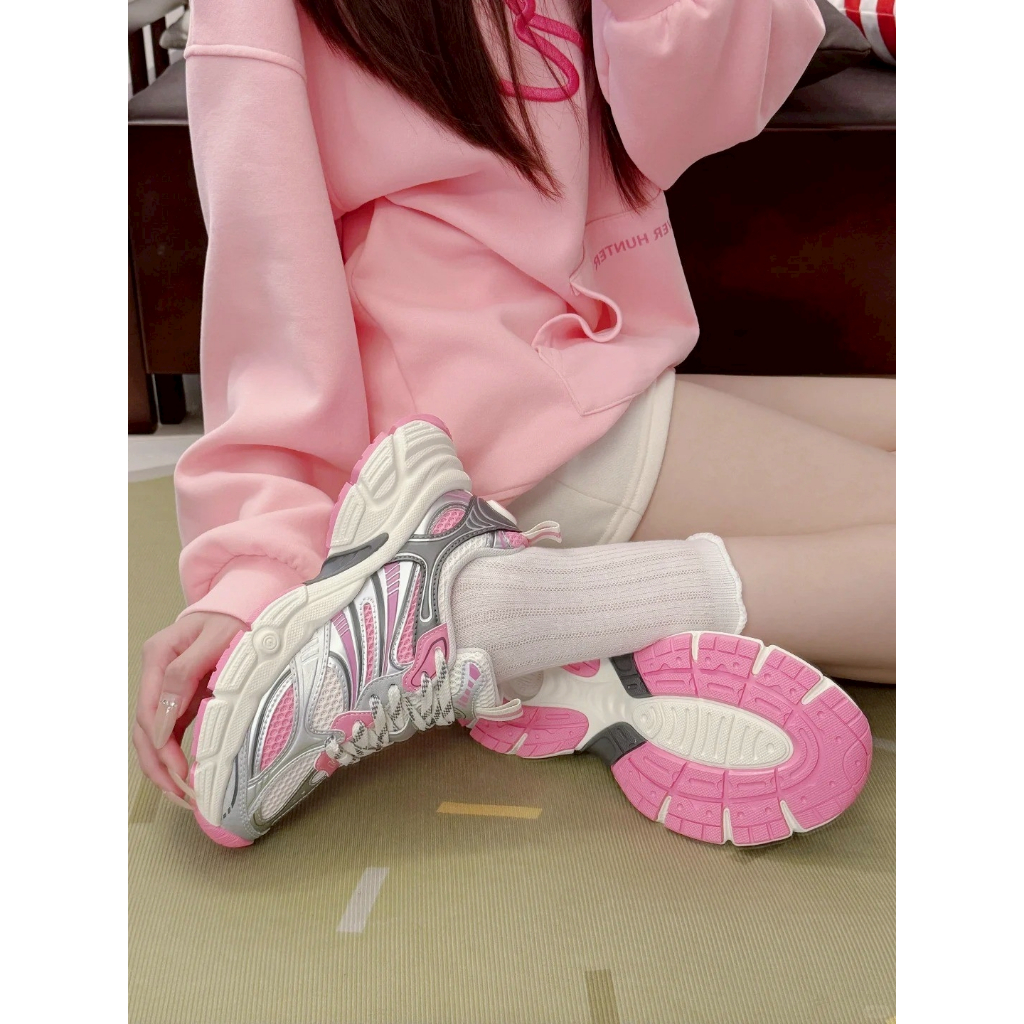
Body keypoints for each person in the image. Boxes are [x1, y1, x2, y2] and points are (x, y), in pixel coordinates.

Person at [133, 0, 893, 848]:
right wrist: (255, 571)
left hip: (587, 369)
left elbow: (685, 112)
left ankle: (536, 625)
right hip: (479, 429)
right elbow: (267, 271)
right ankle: (492, 612)